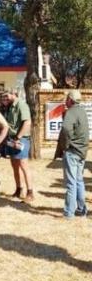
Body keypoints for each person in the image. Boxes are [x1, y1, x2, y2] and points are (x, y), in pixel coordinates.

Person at [55, 90, 89, 219]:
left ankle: (69, 213)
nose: (65, 100)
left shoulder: (71, 112)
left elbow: (65, 129)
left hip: (72, 151)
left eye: (66, 98)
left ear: (70, 99)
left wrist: (65, 146)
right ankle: (81, 210)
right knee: (79, 181)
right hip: (82, 151)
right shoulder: (82, 111)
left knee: (71, 183)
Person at [2, 88, 34, 202]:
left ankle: (30, 193)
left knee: (23, 166)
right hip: (12, 139)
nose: (4, 98)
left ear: (13, 94)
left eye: (6, 95)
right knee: (14, 166)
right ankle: (19, 189)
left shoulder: (22, 105)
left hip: (21, 140)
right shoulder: (10, 107)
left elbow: (27, 122)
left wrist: (18, 137)